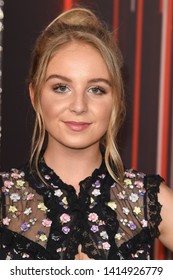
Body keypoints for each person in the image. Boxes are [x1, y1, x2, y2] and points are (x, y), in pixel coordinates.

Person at [0, 7, 173, 260]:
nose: (79, 106)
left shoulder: (147, 200)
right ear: (35, 95)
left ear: (116, 100)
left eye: (96, 89)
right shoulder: (4, 197)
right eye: (61, 87)